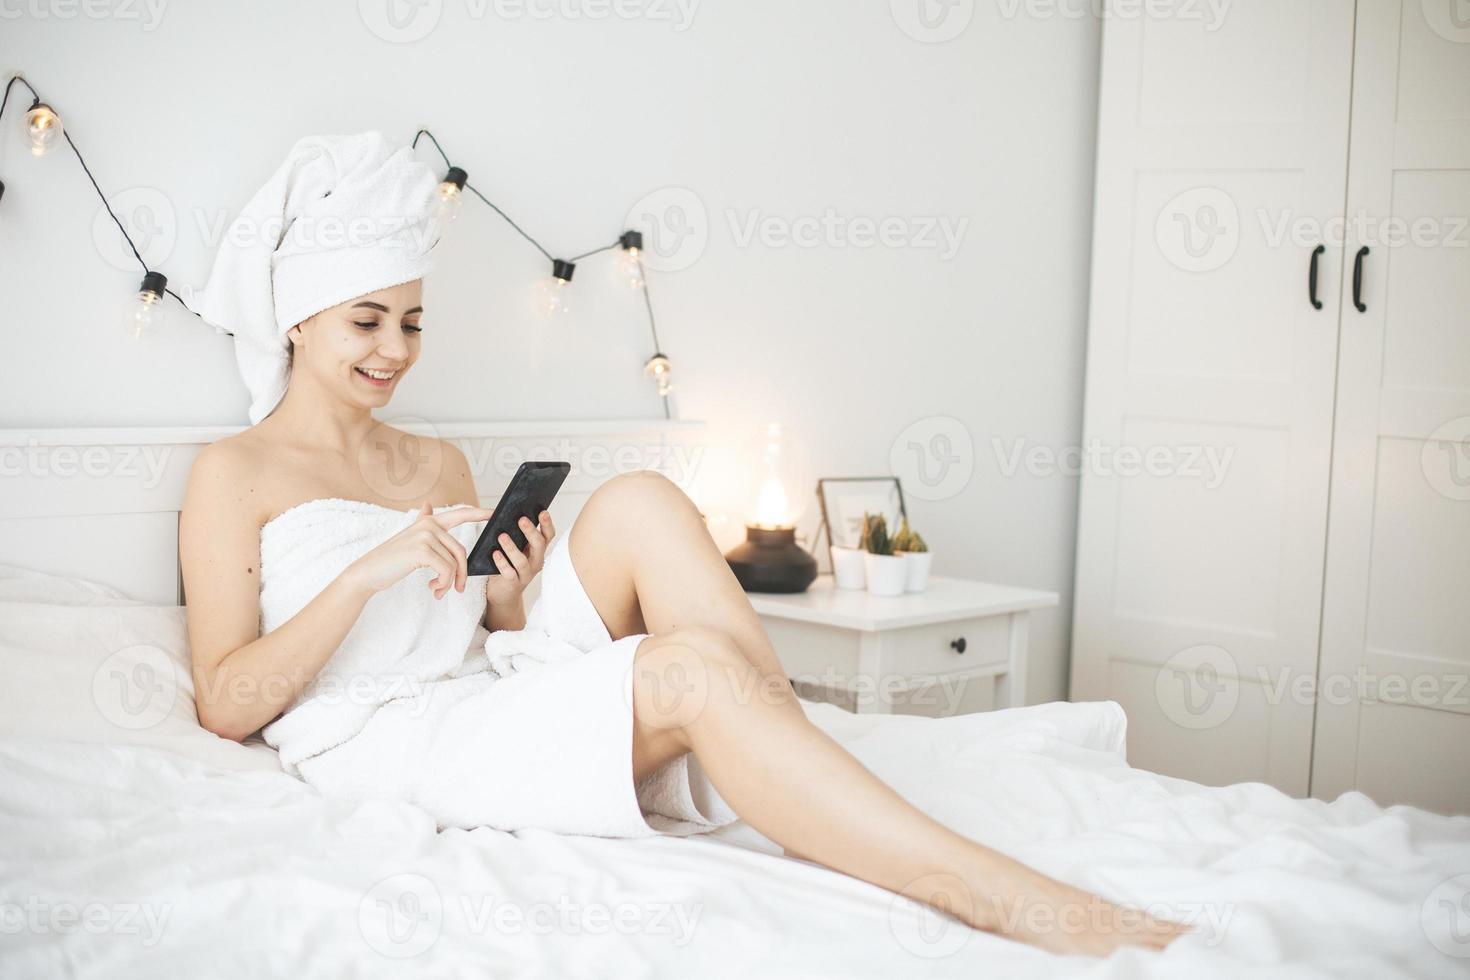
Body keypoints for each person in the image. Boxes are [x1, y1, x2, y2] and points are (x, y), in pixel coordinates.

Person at [178, 131, 1187, 958]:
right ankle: (986, 888)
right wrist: (364, 573)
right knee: (690, 672)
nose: (394, 350)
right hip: (388, 736)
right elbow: (225, 703)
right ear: (300, 318)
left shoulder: (437, 461)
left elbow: (479, 627)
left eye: (411, 321)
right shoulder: (236, 473)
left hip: (477, 684)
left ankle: (783, 753)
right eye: (366, 320)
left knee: (643, 500)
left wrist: (511, 594)